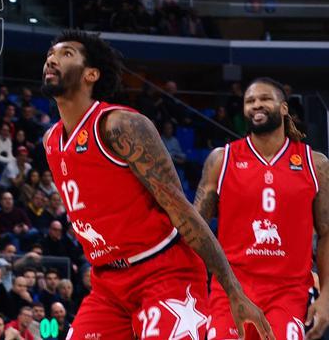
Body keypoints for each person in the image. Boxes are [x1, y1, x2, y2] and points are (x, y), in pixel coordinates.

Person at [40, 30, 271, 340]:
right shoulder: (51, 140)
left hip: (163, 272)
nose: (52, 59)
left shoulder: (120, 125)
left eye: (66, 54)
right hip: (108, 284)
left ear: (91, 74)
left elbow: (180, 208)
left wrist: (233, 291)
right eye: (49, 56)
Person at [195, 77, 328, 340]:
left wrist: (326, 298)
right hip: (231, 291)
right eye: (250, 101)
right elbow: (193, 227)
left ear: (284, 108)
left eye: (265, 98)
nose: (257, 105)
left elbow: (326, 235)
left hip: (288, 292)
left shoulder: (316, 164)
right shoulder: (221, 160)